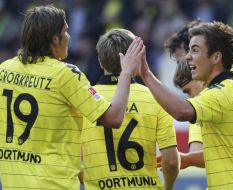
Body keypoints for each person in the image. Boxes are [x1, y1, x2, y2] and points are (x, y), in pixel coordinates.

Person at [0, 5, 143, 189]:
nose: (69, 38)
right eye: (66, 32)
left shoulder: (4, 70)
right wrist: (126, 72)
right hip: (55, 184)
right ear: (54, 40)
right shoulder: (65, 75)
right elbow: (114, 118)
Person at [133, 21, 233, 189]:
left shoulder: (220, 93)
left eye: (195, 50)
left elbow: (181, 111)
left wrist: (146, 74)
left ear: (216, 57)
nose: (188, 57)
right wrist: (188, 159)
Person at [81, 28, 179, 190]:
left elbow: (75, 162)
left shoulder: (84, 99)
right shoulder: (155, 98)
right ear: (135, 58)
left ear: (100, 61)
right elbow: (171, 161)